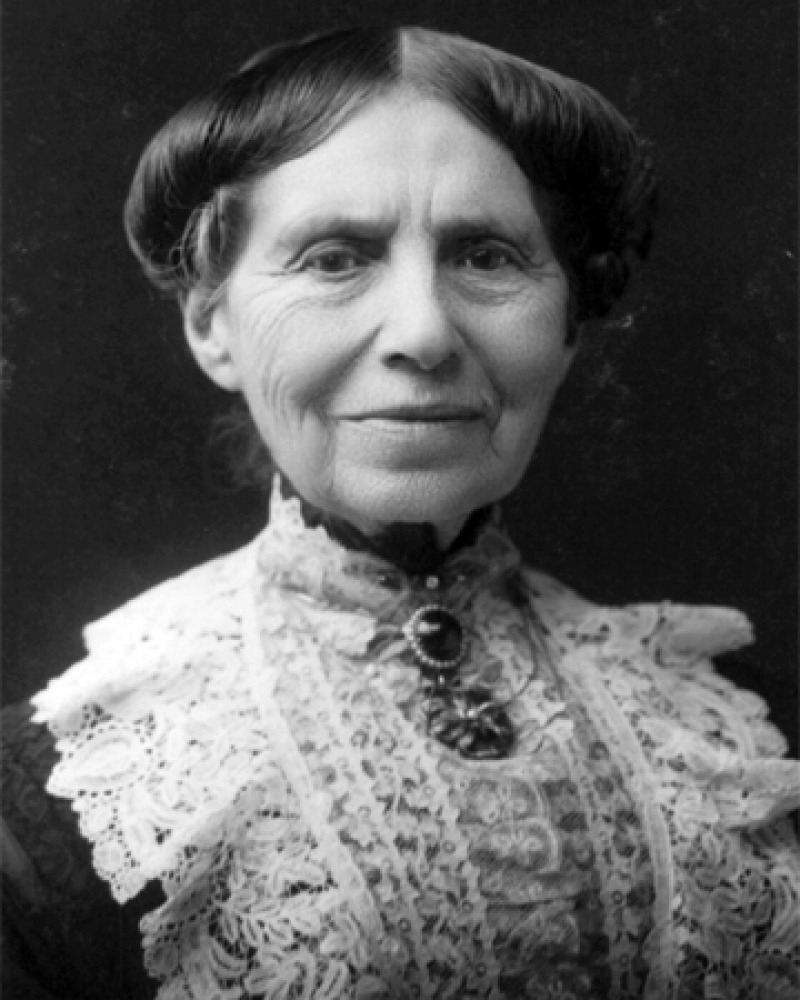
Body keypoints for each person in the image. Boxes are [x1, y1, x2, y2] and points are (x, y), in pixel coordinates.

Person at [2, 25, 798, 1000]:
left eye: (487, 255)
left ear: (565, 326)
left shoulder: (734, 741)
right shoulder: (75, 796)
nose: (422, 332)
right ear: (211, 323)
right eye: (335, 257)